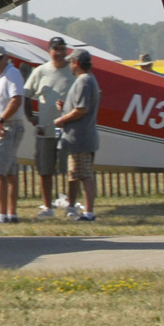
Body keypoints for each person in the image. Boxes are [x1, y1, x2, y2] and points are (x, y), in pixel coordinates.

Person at [23, 36, 75, 218]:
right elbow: (26, 94)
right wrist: (30, 117)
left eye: (62, 49)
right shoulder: (40, 71)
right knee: (45, 170)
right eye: (56, 49)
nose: (60, 53)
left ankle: (71, 206)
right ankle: (47, 207)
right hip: (46, 129)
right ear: (49, 51)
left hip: (69, 130)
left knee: (71, 170)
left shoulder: (73, 70)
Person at [53, 49, 100, 222]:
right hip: (81, 136)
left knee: (85, 174)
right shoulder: (88, 80)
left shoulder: (83, 81)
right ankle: (74, 207)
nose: (70, 66)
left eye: (71, 62)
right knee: (75, 173)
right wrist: (65, 107)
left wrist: (62, 119)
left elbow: (81, 109)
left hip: (80, 136)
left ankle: (88, 212)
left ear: (77, 63)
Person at [0, 44, 25, 223]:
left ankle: (2, 214)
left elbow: (16, 100)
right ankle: (10, 213)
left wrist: (1, 120)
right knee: (9, 172)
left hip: (7, 126)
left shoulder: (12, 74)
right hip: (6, 125)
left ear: (5, 57)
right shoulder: (2, 76)